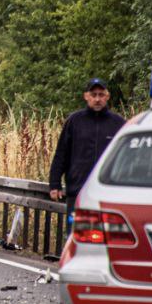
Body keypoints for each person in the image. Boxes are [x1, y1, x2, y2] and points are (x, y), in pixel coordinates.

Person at [49, 78, 126, 224]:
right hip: (78, 191)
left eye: (101, 95)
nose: (97, 99)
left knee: (107, 238)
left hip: (108, 193)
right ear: (86, 96)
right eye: (94, 94)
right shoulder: (74, 121)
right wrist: (55, 184)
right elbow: (61, 154)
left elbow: (128, 159)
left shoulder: (118, 124)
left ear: (107, 96)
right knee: (75, 234)